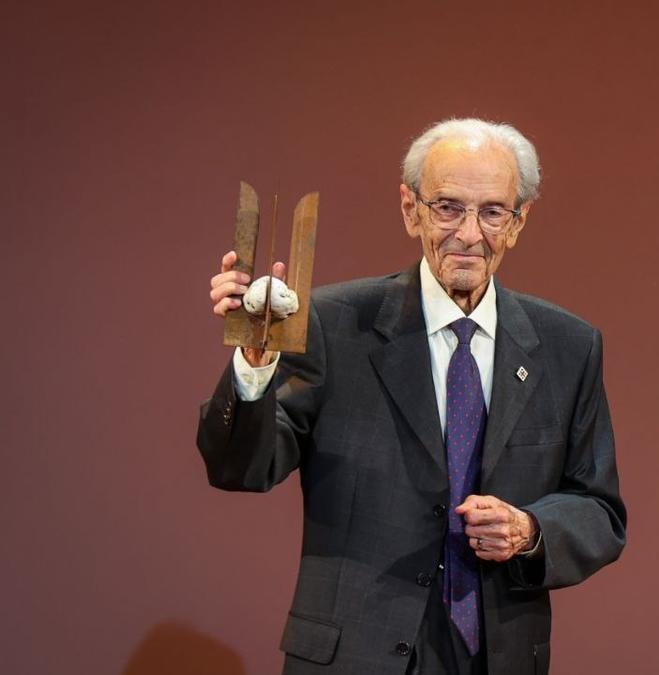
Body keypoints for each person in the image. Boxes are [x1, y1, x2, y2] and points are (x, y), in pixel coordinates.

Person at [199, 118, 626, 675]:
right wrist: (255, 360)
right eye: (448, 207)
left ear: (519, 222)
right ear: (410, 209)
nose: (469, 234)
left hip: (497, 656)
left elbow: (599, 509)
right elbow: (241, 468)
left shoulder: (568, 345)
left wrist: (529, 530)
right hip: (355, 656)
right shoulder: (333, 324)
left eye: (492, 212)